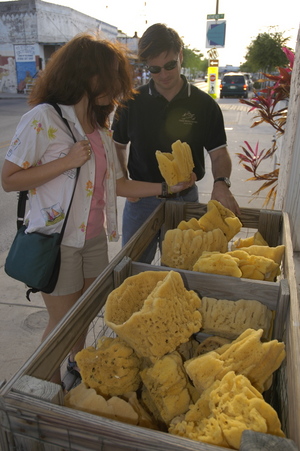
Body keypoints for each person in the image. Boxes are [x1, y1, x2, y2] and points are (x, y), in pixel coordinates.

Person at [1, 32, 192, 386]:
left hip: (93, 240)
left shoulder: (100, 129)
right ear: (82, 75)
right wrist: (66, 162)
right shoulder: (45, 119)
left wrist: (168, 188)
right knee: (62, 325)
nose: (116, 86)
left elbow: (117, 185)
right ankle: (43, 393)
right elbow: (10, 179)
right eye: (108, 76)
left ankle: (78, 370)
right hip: (56, 242)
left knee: (85, 316)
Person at [112, 23, 240, 264]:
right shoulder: (131, 103)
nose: (164, 75)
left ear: (180, 56)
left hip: (185, 200)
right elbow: (117, 146)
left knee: (182, 268)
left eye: (170, 65)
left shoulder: (204, 105)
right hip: (141, 202)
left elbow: (219, 153)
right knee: (130, 267)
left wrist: (221, 183)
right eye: (155, 69)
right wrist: (125, 182)